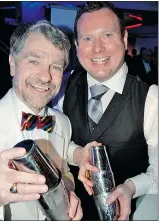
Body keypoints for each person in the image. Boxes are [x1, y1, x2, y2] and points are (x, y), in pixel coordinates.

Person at [54, 2, 158, 220]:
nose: (98, 48)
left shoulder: (150, 98)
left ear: (124, 38)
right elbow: (50, 136)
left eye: (107, 35)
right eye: (87, 38)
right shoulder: (61, 87)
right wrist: (76, 153)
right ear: (76, 44)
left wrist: (130, 187)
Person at [0, 20, 83, 220]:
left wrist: (67, 190)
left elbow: (65, 171)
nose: (45, 77)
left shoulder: (62, 123)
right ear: (12, 65)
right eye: (34, 61)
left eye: (56, 66)